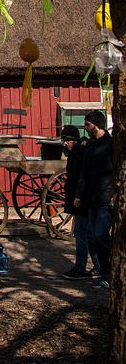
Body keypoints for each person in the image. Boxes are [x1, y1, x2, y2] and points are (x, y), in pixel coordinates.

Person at [74, 109, 113, 290]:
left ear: (96, 125)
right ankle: (103, 271)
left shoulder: (110, 145)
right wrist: (79, 195)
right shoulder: (90, 146)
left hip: (105, 197)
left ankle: (108, 273)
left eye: (87, 124)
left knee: (101, 236)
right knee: (93, 237)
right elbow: (84, 173)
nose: (85, 127)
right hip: (91, 198)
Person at [59, 124, 99, 280]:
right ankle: (96, 265)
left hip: (83, 199)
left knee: (83, 233)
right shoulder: (75, 153)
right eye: (64, 140)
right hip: (81, 198)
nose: (65, 143)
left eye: (67, 140)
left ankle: (82, 267)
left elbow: (82, 178)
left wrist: (79, 196)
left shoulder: (81, 154)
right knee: (87, 233)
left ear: (74, 140)